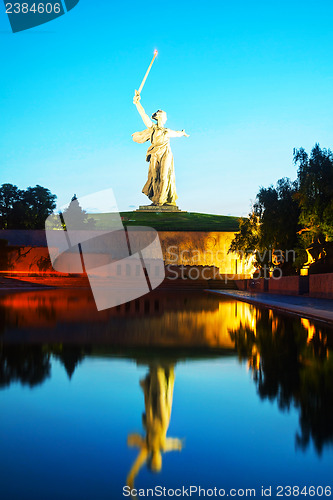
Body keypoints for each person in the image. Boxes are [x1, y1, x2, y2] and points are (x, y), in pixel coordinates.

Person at [132, 92, 189, 206]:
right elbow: (144, 116)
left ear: (163, 117)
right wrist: (137, 103)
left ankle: (161, 200)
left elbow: (177, 133)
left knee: (163, 176)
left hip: (165, 153)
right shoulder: (152, 128)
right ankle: (156, 199)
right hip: (155, 153)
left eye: (161, 113)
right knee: (154, 176)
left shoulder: (166, 131)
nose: (159, 114)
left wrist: (182, 133)